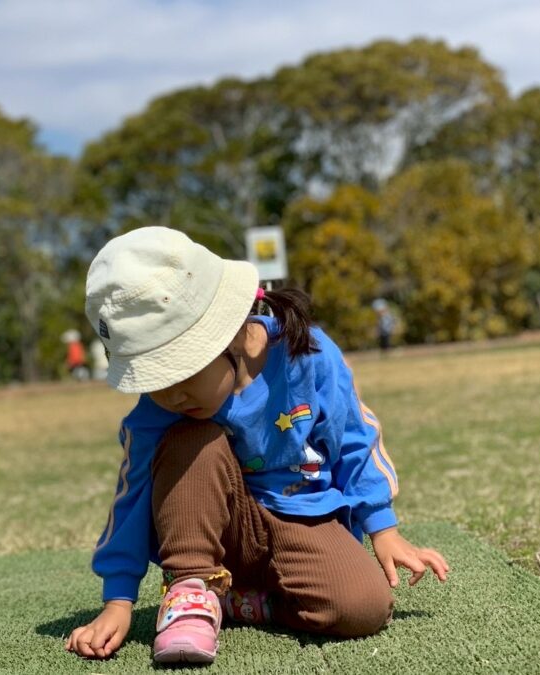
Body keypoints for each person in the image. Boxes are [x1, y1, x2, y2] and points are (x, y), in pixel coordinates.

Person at [66, 227, 448, 664]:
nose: (168, 396)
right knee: (192, 438)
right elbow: (131, 495)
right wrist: (118, 601)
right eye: (153, 382)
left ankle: (244, 603)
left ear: (226, 332)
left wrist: (383, 526)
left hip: (304, 518)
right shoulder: (162, 410)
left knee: (364, 606)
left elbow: (356, 438)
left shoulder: (310, 355)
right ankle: (193, 591)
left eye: (177, 374)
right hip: (213, 534)